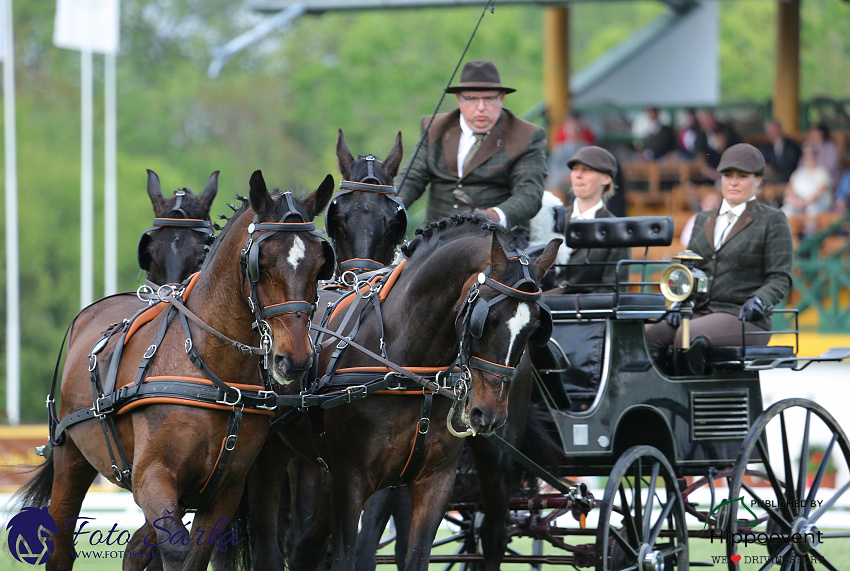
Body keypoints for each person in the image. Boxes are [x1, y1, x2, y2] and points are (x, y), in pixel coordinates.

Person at [645, 143, 793, 354]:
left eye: (742, 176)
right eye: (727, 175)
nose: (733, 182)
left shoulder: (772, 219)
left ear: (757, 179)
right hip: (699, 310)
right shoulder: (703, 219)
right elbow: (690, 269)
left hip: (742, 316)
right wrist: (680, 302)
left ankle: (688, 387)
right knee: (648, 334)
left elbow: (780, 277)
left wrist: (759, 300)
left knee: (687, 334)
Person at [397, 60, 546, 247]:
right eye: (472, 98)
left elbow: (529, 193)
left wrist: (493, 215)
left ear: (502, 98)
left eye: (489, 99)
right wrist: (393, 205)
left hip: (496, 240)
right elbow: (412, 177)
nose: (481, 107)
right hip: (435, 238)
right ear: (460, 99)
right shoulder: (434, 127)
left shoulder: (526, 136)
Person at [546, 146, 631, 294]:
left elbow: (613, 291)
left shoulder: (617, 230)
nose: (578, 175)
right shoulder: (550, 219)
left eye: (587, 170)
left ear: (606, 178)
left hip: (587, 314)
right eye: (575, 169)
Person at [782, 143, 833, 220]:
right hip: (798, 203)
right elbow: (789, 189)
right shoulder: (798, 172)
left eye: (811, 156)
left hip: (817, 204)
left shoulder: (822, 172)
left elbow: (819, 193)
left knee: (811, 211)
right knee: (785, 211)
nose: (809, 158)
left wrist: (804, 203)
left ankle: (810, 233)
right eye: (806, 156)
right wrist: (796, 202)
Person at [693, 109, 740, 181]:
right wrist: (708, 171)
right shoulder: (701, 134)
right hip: (709, 170)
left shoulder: (726, 130)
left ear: (712, 118)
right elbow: (700, 155)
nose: (703, 123)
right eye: (702, 121)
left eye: (706, 119)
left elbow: (735, 151)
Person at [760, 119, 802, 183]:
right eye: (771, 131)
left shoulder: (792, 145)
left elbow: (792, 165)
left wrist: (774, 169)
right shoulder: (766, 147)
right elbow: (764, 162)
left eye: (775, 130)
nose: (774, 133)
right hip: (770, 178)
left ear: (780, 130)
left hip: (788, 177)